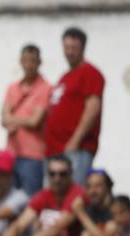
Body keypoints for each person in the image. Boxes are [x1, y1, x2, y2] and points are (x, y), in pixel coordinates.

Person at [44, 27, 105, 186]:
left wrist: (75, 141)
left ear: (83, 48)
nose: (70, 52)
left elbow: (92, 109)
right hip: (54, 150)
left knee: (73, 197)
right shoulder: (65, 76)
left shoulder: (90, 73)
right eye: (66, 48)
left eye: (74, 48)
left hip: (75, 149)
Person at [2, 44, 52, 193]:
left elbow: (34, 121)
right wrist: (18, 119)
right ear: (20, 62)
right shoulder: (12, 87)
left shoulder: (45, 88)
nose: (29, 65)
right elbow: (4, 118)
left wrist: (12, 118)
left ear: (39, 62)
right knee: (9, 201)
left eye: (32, 61)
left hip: (33, 156)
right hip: (11, 154)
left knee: (31, 201)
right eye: (25, 60)